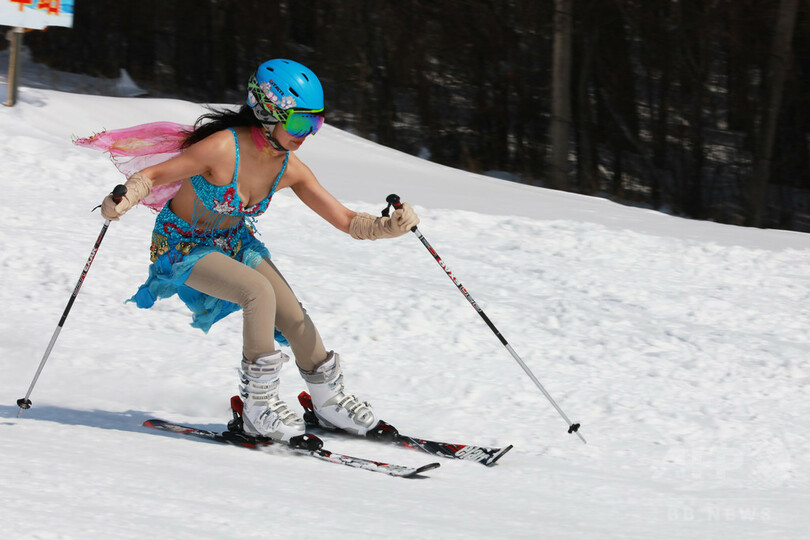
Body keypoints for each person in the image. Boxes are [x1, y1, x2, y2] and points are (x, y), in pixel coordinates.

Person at [95, 59, 419, 445]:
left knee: (293, 314)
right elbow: (153, 176)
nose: (307, 134)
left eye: (316, 123)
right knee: (257, 291)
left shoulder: (289, 167)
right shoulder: (219, 148)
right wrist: (124, 197)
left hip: (236, 244)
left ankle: (329, 401)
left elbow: (346, 220)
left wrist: (388, 227)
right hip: (182, 245)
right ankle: (257, 407)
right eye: (300, 123)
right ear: (268, 112)